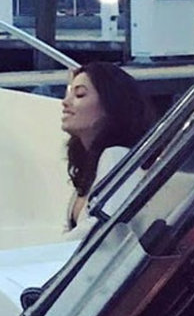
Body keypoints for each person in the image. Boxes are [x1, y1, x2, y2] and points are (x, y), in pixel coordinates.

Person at [61, 62, 155, 239]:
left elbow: (105, 229)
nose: (65, 102)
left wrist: (46, 250)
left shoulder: (116, 155)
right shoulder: (93, 165)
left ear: (109, 105)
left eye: (79, 94)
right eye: (68, 93)